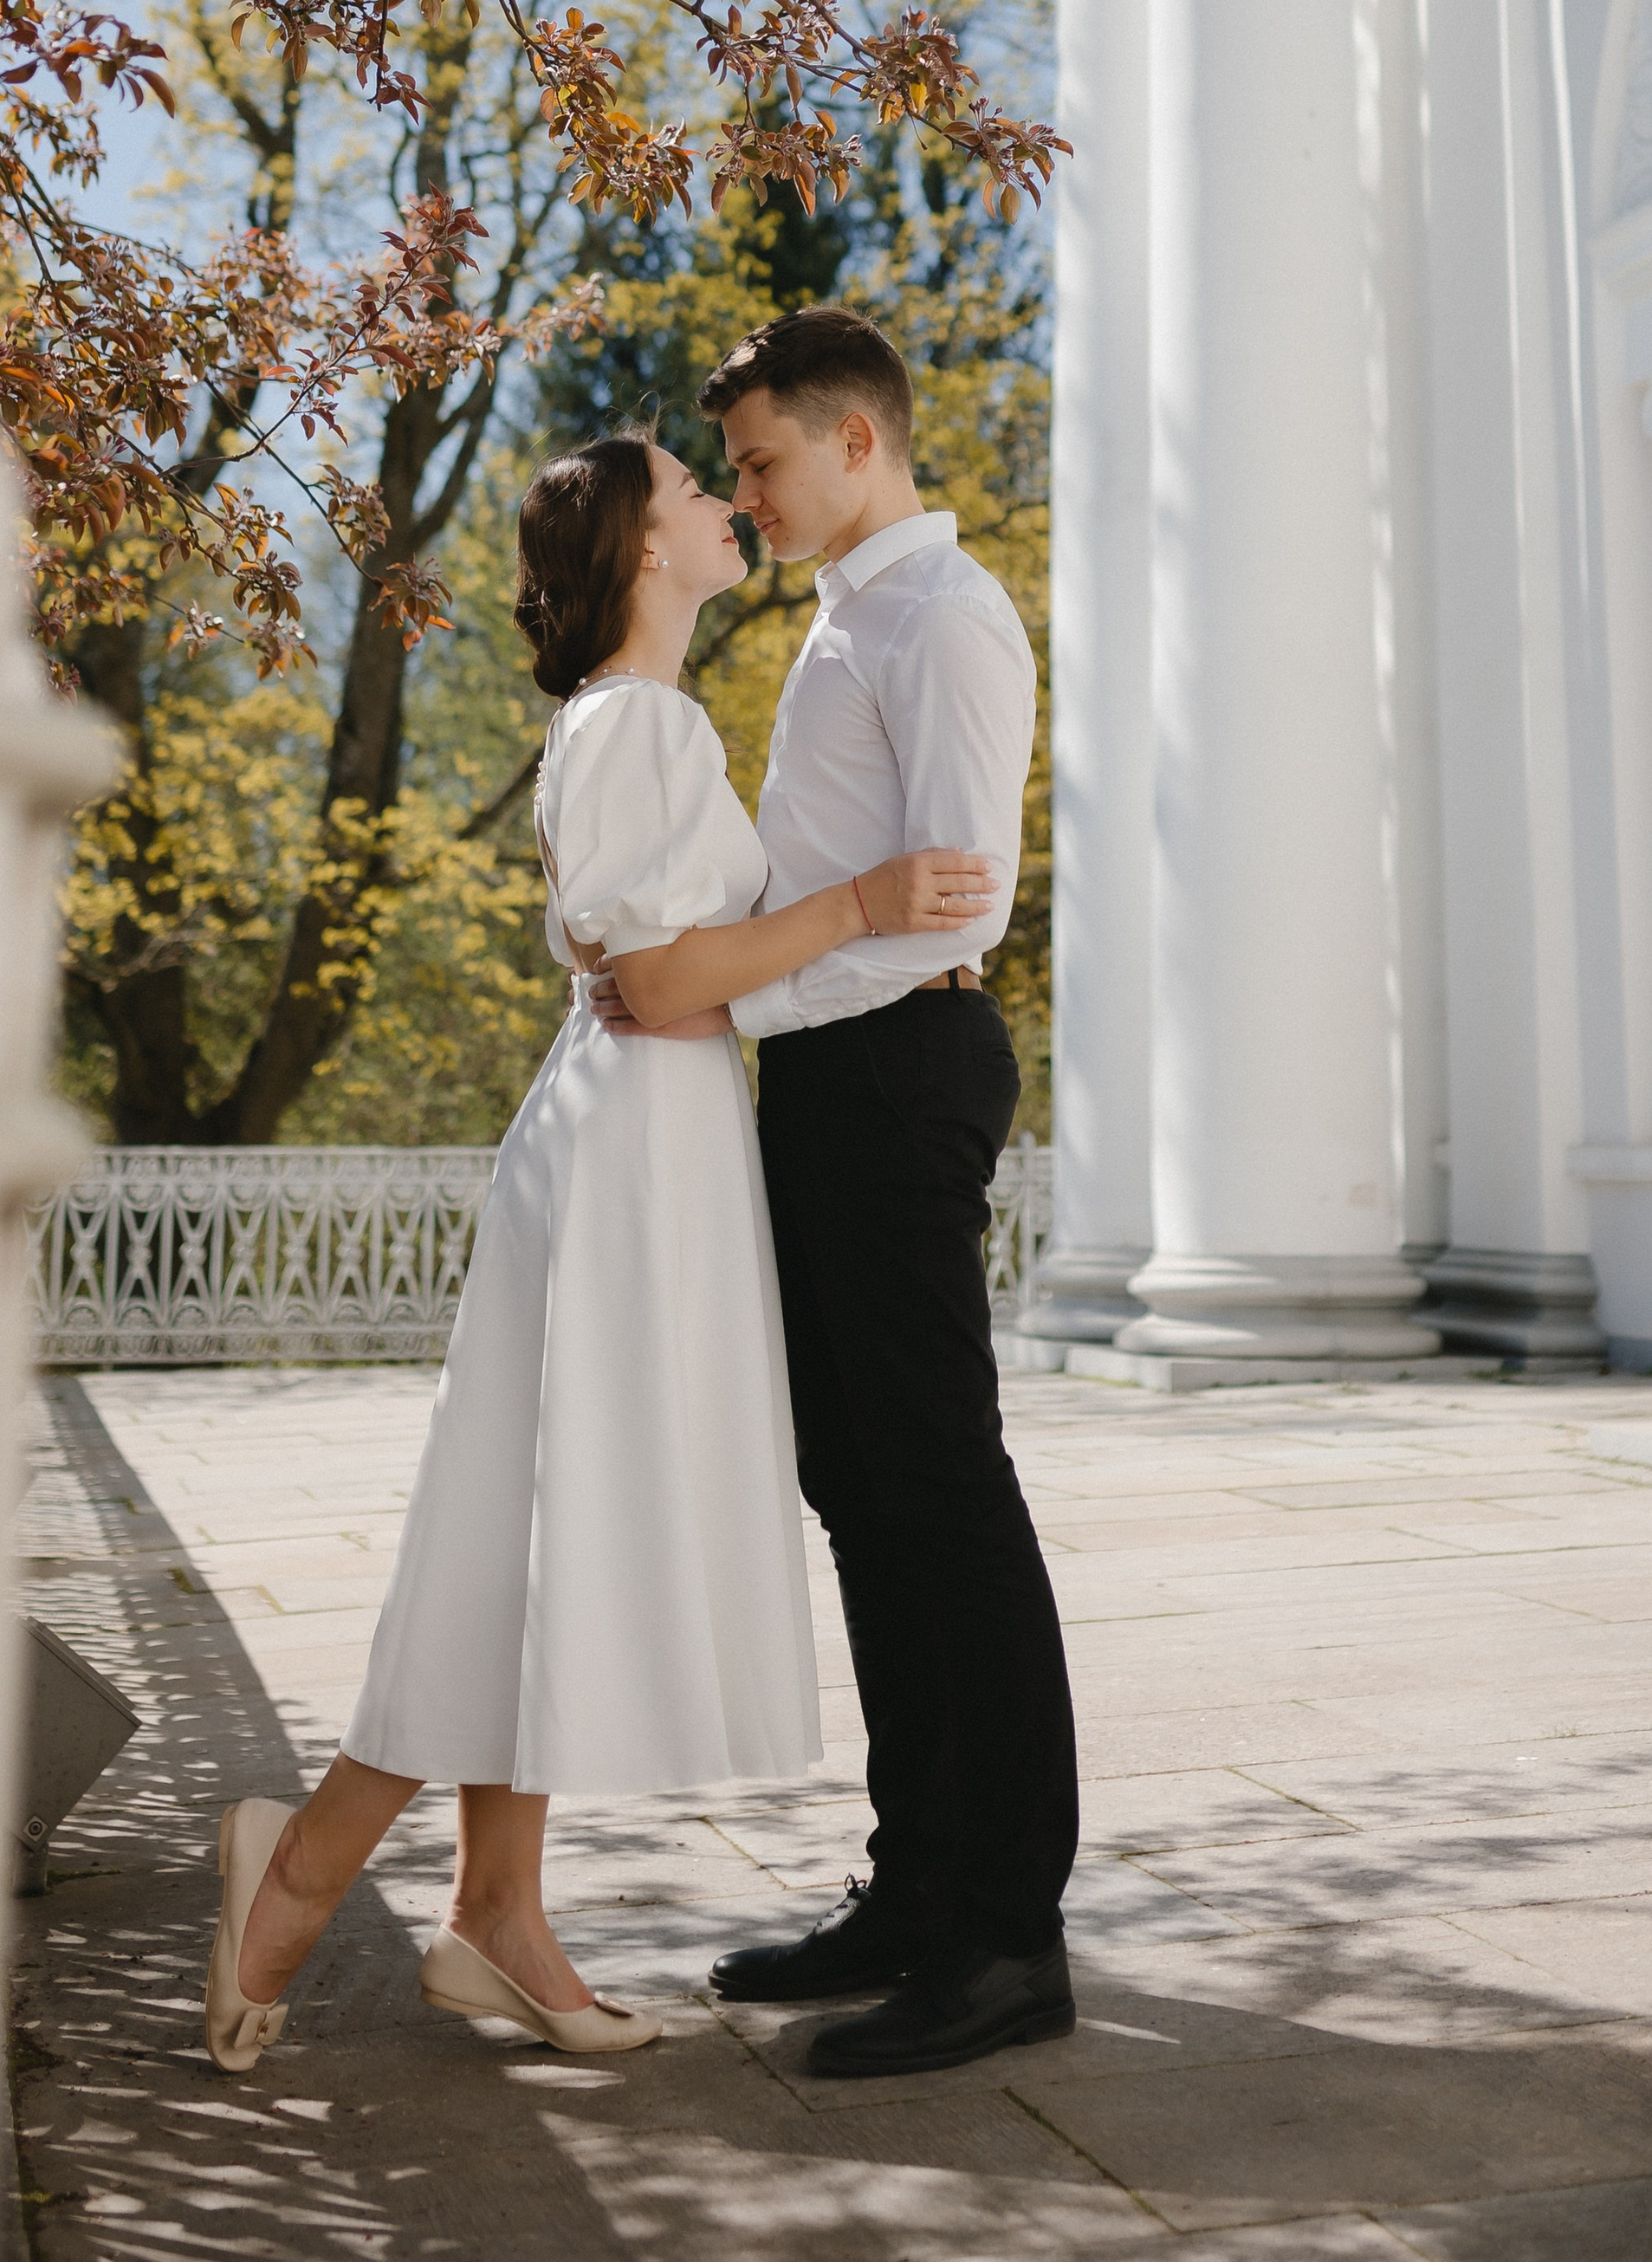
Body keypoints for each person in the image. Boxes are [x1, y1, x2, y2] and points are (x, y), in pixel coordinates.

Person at [201, 431, 996, 2076]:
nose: (726, 499)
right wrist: (861, 906)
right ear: (643, 546)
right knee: (522, 1523)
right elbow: (658, 975)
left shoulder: (639, 720)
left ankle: (497, 1913)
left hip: (641, 1141)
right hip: (628, 1137)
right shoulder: (641, 719)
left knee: (538, 1523)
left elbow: (668, 963)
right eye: (695, 489)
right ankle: (302, 1870)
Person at [600, 306, 1079, 2080]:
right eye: (735, 471)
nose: (749, 493)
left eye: (761, 463)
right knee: (860, 1488)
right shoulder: (850, 620)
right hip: (826, 1070)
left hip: (899, 1059)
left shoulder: (939, 617)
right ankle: (919, 1888)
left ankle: (1007, 1938)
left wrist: (731, 988)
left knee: (938, 1487)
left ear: (854, 440)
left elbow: (949, 902)